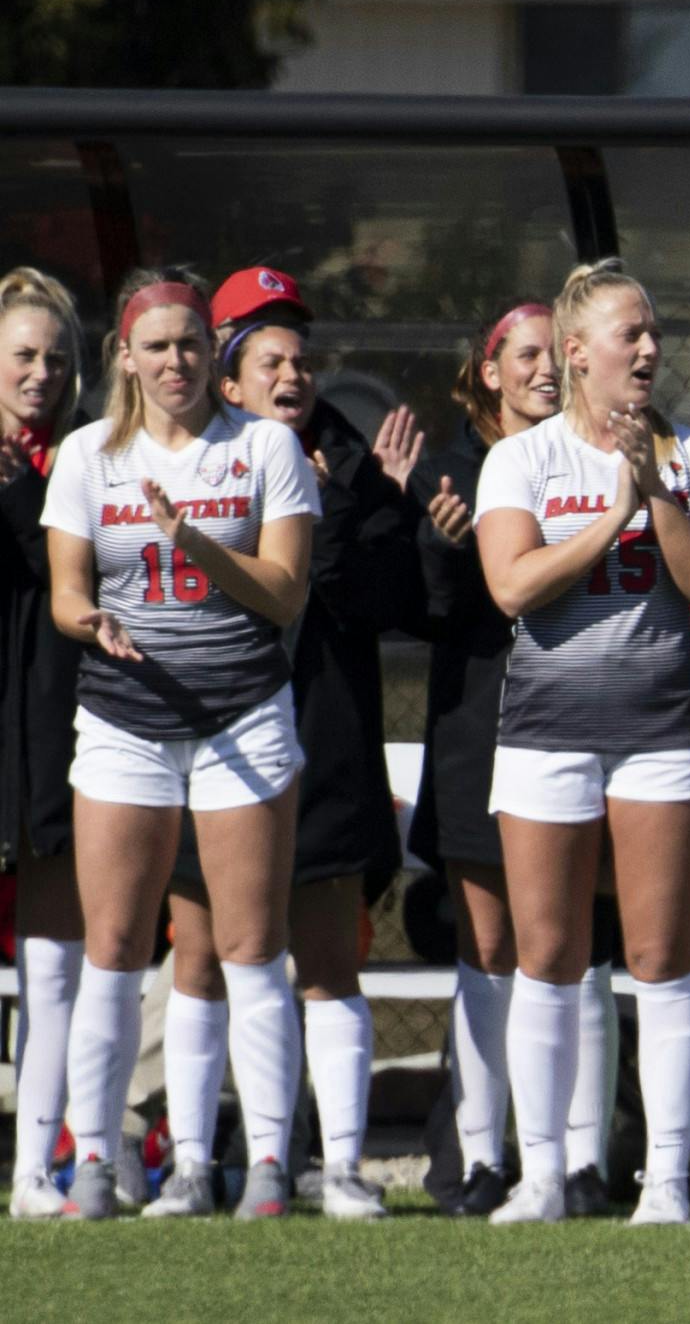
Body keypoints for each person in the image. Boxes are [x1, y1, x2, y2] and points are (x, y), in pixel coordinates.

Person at [40, 268, 319, 1220]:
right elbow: (69, 589)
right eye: (156, 345)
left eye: (193, 343)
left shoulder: (267, 447)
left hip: (242, 713)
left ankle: (266, 1167)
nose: (177, 361)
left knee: (249, 945)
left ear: (217, 352)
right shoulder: (85, 455)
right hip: (123, 716)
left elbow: (283, 593)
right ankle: (92, 1164)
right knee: (113, 947)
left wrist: (190, 538)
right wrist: (90, 625)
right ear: (126, 354)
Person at [473, 258, 690, 1224]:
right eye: (630, 334)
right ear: (577, 354)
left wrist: (654, 492)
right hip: (546, 731)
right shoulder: (521, 460)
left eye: (654, 332)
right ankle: (541, 1176)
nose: (649, 349)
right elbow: (512, 585)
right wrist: (615, 517)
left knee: (664, 954)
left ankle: (664, 1181)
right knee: (545, 954)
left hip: (663, 730)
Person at [145, 268, 417, 1220]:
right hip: (204, 735)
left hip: (323, 740)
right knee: (201, 952)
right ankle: (188, 1165)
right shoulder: (178, 460)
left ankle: (334, 1165)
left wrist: (370, 500)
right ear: (227, 378)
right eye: (269, 358)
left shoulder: (354, 467)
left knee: (328, 958)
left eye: (302, 358)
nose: (293, 376)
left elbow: (389, 601)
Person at [406, 301, 621, 1217]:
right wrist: (438, 546)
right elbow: (412, 607)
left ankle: (585, 1163)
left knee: (587, 946)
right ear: (488, 369)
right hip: (479, 730)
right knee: (491, 946)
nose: (543, 370)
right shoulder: (451, 472)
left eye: (553, 354)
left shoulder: (607, 456)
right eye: (524, 356)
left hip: (595, 725)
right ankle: (480, 1160)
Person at [1, 268, 87, 1218]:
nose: (39, 374)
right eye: (22, 356)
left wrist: (26, 490)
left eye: (56, 359)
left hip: (57, 738)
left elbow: (69, 583)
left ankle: (37, 1169)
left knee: (54, 959)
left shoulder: (88, 458)